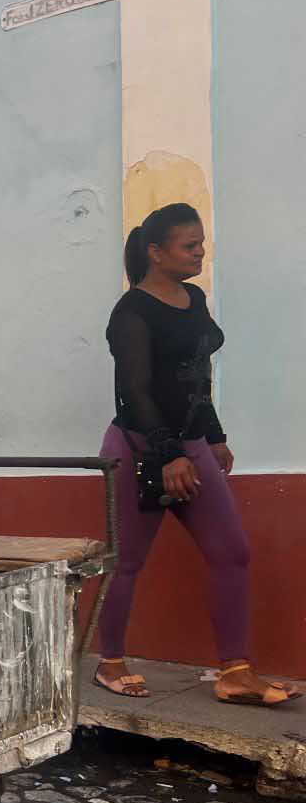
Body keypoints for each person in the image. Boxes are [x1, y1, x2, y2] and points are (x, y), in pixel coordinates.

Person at [94, 203, 296, 708]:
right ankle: (111, 661)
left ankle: (235, 672)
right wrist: (167, 455)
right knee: (128, 562)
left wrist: (214, 435)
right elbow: (134, 392)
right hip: (141, 448)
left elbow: (196, 376)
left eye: (202, 243)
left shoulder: (195, 297)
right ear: (156, 253)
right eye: (190, 246)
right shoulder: (131, 313)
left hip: (190, 447)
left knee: (232, 552)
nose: (200, 252)